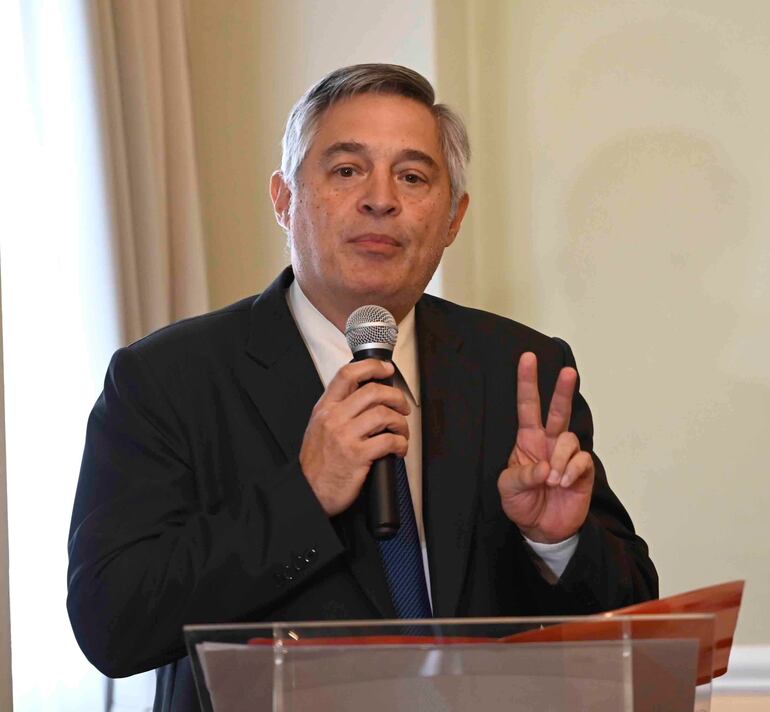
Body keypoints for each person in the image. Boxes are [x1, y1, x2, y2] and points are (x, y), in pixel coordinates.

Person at [67, 64, 657, 711]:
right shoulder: (167, 379)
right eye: (347, 170)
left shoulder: (519, 368)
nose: (382, 199)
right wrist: (304, 495)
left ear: (454, 218)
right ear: (283, 199)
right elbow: (111, 623)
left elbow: (632, 623)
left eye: (413, 176)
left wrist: (557, 543)